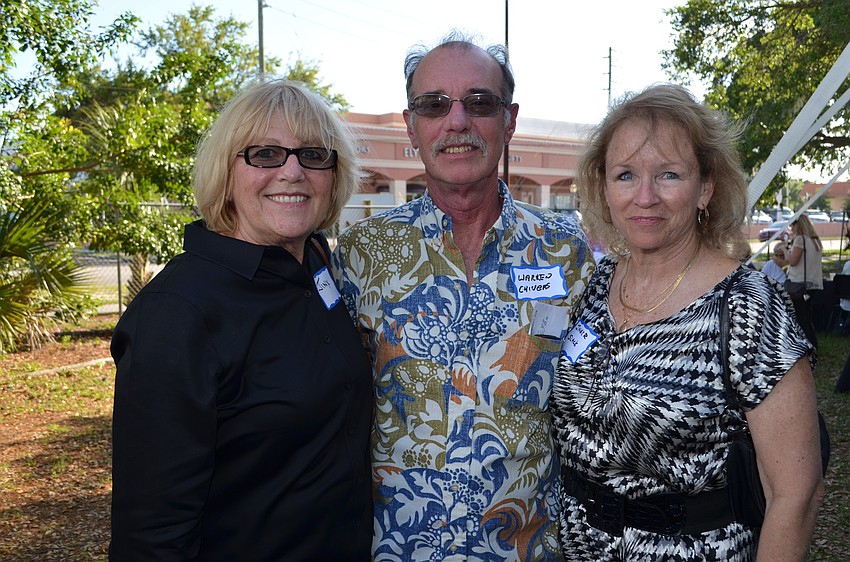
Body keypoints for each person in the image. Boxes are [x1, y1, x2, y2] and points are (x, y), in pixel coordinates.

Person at [333, 31, 594, 561]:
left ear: (509, 119)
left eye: (479, 103)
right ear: (411, 125)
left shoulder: (566, 252)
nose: (457, 122)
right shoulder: (361, 255)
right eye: (433, 105)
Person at [552, 84, 823, 560]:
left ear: (706, 188)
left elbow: (796, 497)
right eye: (625, 175)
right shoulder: (597, 286)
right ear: (604, 188)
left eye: (669, 174)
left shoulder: (747, 305)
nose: (645, 196)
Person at [109, 79, 373, 561]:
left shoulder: (315, 265)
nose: (293, 172)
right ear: (226, 171)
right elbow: (151, 532)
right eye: (266, 154)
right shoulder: (179, 313)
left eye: (314, 154)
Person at [785, 213, 824, 347]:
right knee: (807, 317)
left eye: (792, 225)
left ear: (798, 225)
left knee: (800, 318)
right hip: (813, 285)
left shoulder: (800, 239)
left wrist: (785, 251)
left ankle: (805, 346)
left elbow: (793, 261)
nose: (791, 228)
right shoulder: (815, 240)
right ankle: (812, 344)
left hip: (798, 285)